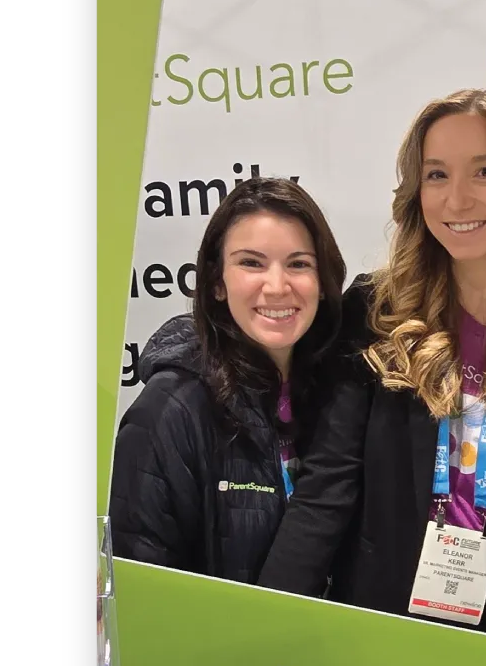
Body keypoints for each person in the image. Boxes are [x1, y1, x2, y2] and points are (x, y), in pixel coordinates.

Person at [259, 88, 486, 652]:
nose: (457, 199)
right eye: (436, 175)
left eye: (485, 171)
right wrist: (263, 627)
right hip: (383, 629)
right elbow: (327, 488)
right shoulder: (374, 314)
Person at [109, 177, 346, 584]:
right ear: (218, 282)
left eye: (298, 264)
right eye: (251, 263)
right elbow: (141, 592)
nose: (277, 287)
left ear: (323, 283)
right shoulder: (169, 412)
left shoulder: (341, 394)